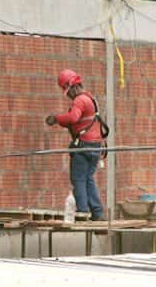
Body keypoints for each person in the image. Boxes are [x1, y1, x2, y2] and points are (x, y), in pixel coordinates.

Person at [45, 69, 109, 220]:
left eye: (66, 90)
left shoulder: (79, 100)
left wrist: (56, 119)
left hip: (84, 146)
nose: (67, 94)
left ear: (72, 86)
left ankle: (83, 212)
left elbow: (73, 118)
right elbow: (79, 122)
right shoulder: (91, 98)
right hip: (95, 146)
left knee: (78, 179)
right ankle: (97, 213)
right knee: (88, 178)